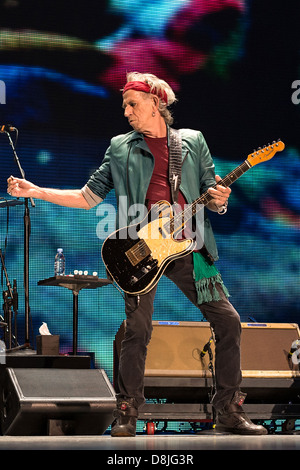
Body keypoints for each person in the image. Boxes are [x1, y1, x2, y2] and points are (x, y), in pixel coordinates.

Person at [7, 71, 267, 437]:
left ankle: (228, 410)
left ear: (157, 103)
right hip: (140, 249)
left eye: (133, 104)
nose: (126, 111)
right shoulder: (120, 147)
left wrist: (221, 202)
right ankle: (128, 411)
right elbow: (87, 197)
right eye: (124, 105)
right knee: (138, 329)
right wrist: (35, 190)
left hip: (189, 247)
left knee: (228, 322)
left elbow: (212, 191)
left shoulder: (192, 142)